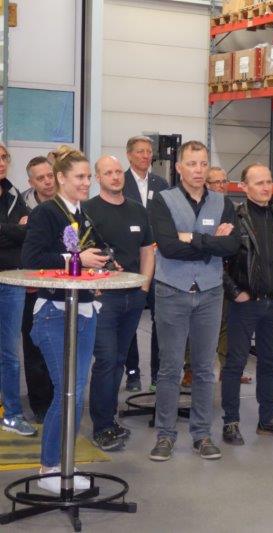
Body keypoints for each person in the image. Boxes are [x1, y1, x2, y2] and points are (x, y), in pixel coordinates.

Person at [21, 145, 110, 493]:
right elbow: (32, 259)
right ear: (61, 178)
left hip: (84, 311)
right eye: (80, 177)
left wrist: (101, 264)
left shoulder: (82, 214)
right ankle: (49, 468)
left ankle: (64, 465)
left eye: (88, 177)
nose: (87, 182)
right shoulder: (46, 213)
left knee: (76, 393)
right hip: (54, 313)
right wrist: (76, 259)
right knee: (66, 393)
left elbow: (90, 250)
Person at [147, 140, 238, 462]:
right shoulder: (163, 201)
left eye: (203, 164)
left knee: (204, 368)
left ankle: (202, 435)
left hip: (210, 293)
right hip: (172, 291)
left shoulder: (223, 202)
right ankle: (165, 435)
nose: (198, 170)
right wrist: (212, 244)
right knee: (170, 368)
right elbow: (168, 247)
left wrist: (193, 238)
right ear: (179, 167)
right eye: (192, 164)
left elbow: (232, 247)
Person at [220, 163, 273, 445]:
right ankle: (230, 421)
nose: (266, 187)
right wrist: (235, 292)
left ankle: (268, 419)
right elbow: (218, 260)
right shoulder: (234, 217)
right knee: (235, 364)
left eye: (269, 181)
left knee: (269, 362)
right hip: (244, 304)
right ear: (243, 187)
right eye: (259, 183)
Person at [85, 156, 155, 451]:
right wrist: (94, 285)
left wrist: (144, 286)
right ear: (98, 178)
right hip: (103, 299)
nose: (115, 177)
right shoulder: (87, 210)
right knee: (106, 360)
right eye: (108, 173)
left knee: (118, 360)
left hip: (133, 297)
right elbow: (77, 253)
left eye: (117, 172)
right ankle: (101, 426)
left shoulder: (138, 210)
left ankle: (109, 419)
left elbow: (147, 251)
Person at [181, 166, 250, 387]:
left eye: (224, 181)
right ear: (206, 185)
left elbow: (234, 243)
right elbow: (197, 241)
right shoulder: (197, 209)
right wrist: (214, 242)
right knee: (196, 325)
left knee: (227, 324)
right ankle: (190, 369)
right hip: (202, 273)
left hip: (230, 273)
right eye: (216, 182)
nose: (221, 186)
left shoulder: (234, 209)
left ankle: (228, 369)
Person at [122, 135, 169, 393]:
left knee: (160, 318)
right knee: (130, 318)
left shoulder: (161, 184)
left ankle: (157, 374)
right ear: (129, 155)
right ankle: (132, 373)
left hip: (159, 261)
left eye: (149, 151)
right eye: (140, 151)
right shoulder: (120, 182)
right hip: (130, 262)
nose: (145, 156)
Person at [0, 144, 36, 437]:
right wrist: (13, 229)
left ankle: (12, 413)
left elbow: (28, 233)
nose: (1, 162)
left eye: (3, 157)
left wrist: (10, 230)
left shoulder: (14, 194)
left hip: (12, 280)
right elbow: (18, 231)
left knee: (9, 353)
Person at [20, 157, 56, 422]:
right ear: (31, 182)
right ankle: (41, 405)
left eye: (50, 175)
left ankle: (59, 399)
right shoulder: (21, 208)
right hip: (32, 289)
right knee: (34, 348)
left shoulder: (69, 204)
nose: (47, 181)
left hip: (62, 288)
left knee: (60, 347)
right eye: (40, 178)